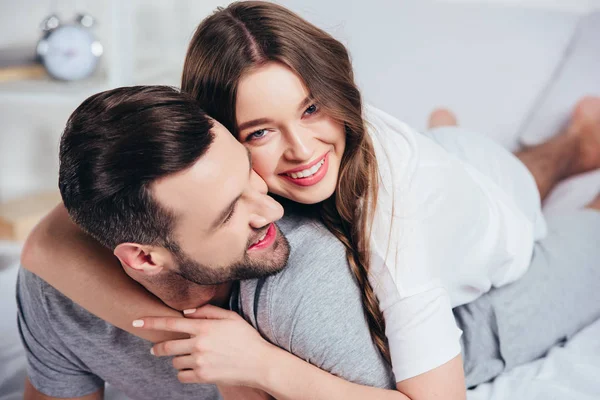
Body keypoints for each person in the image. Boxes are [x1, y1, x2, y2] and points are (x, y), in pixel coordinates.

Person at [21, 1, 600, 399]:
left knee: (512, 189)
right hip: (430, 164)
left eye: (311, 108)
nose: (273, 201)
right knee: (453, 151)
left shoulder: (395, 218)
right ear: (222, 124)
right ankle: (456, 134)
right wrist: (181, 331)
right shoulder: (188, 154)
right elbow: (45, 243)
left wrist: (258, 365)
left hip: (485, 218)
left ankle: (569, 147)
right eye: (260, 133)